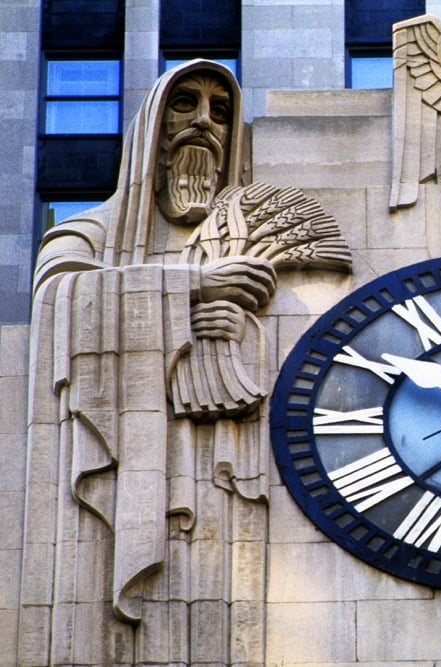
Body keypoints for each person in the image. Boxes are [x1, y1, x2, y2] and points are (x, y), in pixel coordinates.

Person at [21, 60, 273, 665]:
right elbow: (57, 299)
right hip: (126, 468)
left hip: (213, 479)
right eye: (186, 105)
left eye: (221, 111)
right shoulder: (88, 232)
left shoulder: (242, 236)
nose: (205, 123)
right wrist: (191, 286)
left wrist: (239, 329)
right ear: (152, 132)